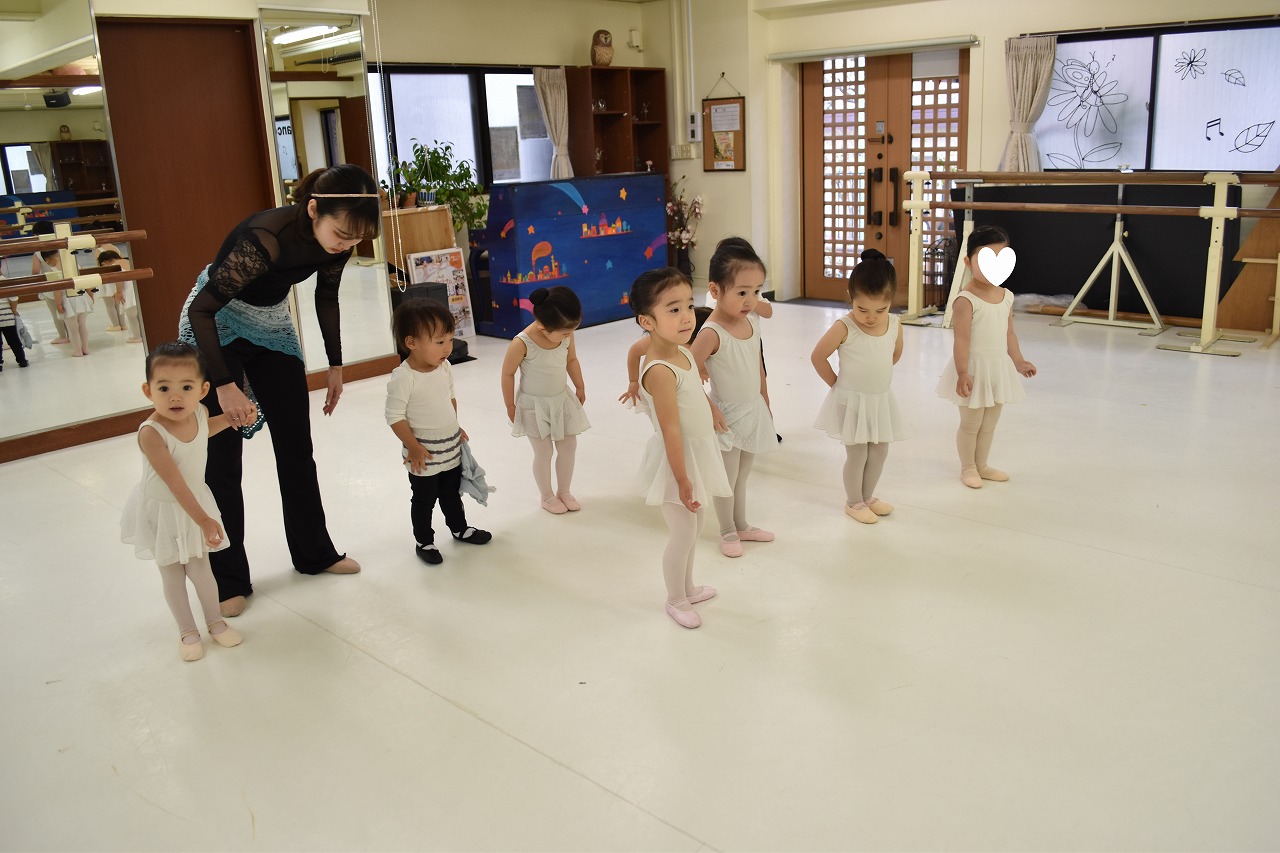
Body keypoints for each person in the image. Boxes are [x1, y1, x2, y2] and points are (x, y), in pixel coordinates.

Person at [177, 164, 379, 617]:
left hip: (270, 326)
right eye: (341, 234)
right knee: (222, 461)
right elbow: (202, 311)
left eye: (355, 239)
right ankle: (228, 581)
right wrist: (225, 385)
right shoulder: (264, 238)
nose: (345, 245)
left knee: (296, 448)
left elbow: (326, 297)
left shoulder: (340, 239)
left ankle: (315, 554)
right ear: (313, 210)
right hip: (217, 326)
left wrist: (336, 365)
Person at [120, 342, 249, 661]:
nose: (175, 397)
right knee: (173, 573)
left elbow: (203, 430)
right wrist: (203, 519)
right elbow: (175, 484)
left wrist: (233, 419)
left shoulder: (200, 413)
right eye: (164, 388)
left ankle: (215, 623)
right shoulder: (151, 433)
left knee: (201, 569)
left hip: (193, 501)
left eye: (186, 387)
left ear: (203, 390)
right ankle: (187, 631)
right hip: (164, 509)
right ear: (148, 391)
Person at [631, 267, 731, 629]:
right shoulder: (658, 369)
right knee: (683, 532)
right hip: (677, 462)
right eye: (673, 309)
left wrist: (711, 408)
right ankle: (675, 598)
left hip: (694, 454)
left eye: (689, 305)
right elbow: (670, 428)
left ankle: (688, 588)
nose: (687, 316)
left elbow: (695, 392)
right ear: (647, 321)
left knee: (696, 523)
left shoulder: (684, 353)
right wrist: (682, 478)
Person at [386, 298, 492, 565]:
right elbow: (394, 416)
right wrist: (413, 446)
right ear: (411, 343)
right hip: (423, 453)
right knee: (424, 499)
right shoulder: (404, 376)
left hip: (449, 447)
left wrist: (456, 426)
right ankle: (424, 541)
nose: (448, 347)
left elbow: (450, 398)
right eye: (439, 341)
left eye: (450, 339)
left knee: (451, 493)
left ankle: (459, 529)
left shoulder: (444, 366)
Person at [689, 237, 777, 557]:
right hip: (726, 417)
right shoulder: (712, 332)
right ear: (715, 290)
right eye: (742, 292)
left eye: (756, 291)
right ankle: (726, 531)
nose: (750, 300)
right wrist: (710, 408)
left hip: (752, 411)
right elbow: (686, 377)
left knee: (742, 476)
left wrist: (765, 400)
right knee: (726, 478)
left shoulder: (750, 321)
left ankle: (741, 525)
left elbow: (757, 366)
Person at [811, 248, 906, 523]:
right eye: (862, 309)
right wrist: (837, 385)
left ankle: (867, 497)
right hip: (852, 400)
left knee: (880, 451)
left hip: (879, 399)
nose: (871, 317)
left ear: (891, 301)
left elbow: (894, 354)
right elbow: (818, 356)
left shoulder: (895, 324)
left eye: (881, 310)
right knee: (857, 453)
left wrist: (878, 374)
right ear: (851, 298)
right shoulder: (845, 326)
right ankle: (853, 502)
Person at [936, 226, 1036, 489]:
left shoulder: (1007, 296)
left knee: (989, 423)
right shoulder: (965, 300)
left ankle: (982, 465)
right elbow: (961, 340)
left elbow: (1009, 334)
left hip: (997, 368)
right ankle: (968, 467)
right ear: (968, 262)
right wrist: (962, 372)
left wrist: (1019, 361)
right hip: (973, 369)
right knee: (971, 423)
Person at [500, 286, 590, 514]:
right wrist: (510, 404)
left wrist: (579, 385)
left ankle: (564, 491)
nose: (568, 336)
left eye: (571, 331)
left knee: (569, 446)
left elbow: (571, 360)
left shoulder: (566, 333)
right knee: (544, 452)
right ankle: (547, 496)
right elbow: (508, 373)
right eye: (564, 333)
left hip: (560, 400)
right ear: (542, 326)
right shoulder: (522, 342)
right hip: (533, 405)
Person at [618, 306, 712, 406]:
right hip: (658, 387)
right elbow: (634, 351)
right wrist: (633, 381)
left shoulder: (700, 348)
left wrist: (700, 371)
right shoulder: (661, 340)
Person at [29, 220, 69, 345]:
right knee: (69, 309)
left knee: (56, 312)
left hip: (50, 286)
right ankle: (73, 333)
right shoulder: (62, 246)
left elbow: (35, 271)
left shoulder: (38, 253)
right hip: (67, 281)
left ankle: (63, 336)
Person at [97, 249, 143, 343]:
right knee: (139, 316)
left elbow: (118, 279)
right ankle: (142, 335)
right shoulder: (127, 261)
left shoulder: (115, 266)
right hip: (137, 288)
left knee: (131, 316)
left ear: (104, 262)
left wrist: (119, 292)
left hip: (129, 291)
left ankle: (137, 336)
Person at [0, 293, 29, 370]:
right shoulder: (4, 285)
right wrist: (13, 310)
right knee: (14, 341)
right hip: (7, 316)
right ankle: (22, 361)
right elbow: (14, 298)